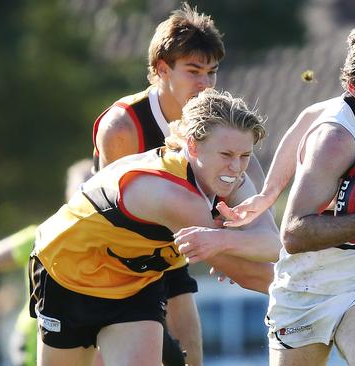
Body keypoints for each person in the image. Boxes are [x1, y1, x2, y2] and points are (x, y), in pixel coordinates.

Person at [30, 89, 279, 366]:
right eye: (226, 154)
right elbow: (247, 273)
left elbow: (272, 244)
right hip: (66, 270)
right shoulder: (178, 197)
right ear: (193, 146)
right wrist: (320, 293)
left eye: (245, 155)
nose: (235, 167)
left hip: (133, 280)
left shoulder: (231, 177)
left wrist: (220, 240)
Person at [223, 20, 355, 366]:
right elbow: (293, 234)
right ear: (353, 87)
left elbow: (305, 118)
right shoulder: (335, 141)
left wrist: (268, 192)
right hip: (305, 289)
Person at [91, 5, 266, 364]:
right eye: (193, 71)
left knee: (191, 354)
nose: (205, 84)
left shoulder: (215, 119)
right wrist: (215, 238)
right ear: (161, 70)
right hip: (112, 258)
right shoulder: (123, 127)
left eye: (212, 73)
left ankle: (318, 303)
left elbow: (253, 193)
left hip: (170, 249)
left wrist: (231, 235)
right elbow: (116, 221)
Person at [0, 159, 93, 366]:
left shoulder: (105, 244)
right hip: (34, 343)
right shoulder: (42, 235)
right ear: (67, 192)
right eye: (77, 188)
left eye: (88, 188)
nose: (81, 195)